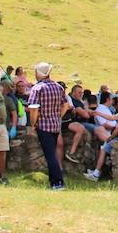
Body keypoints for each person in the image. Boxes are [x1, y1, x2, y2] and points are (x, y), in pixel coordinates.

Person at [26, 62, 68, 190]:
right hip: (55, 125)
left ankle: (57, 182)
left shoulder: (37, 88)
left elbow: (33, 108)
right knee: (52, 153)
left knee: (50, 155)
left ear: (38, 73)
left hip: (43, 126)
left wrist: (33, 123)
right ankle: (53, 180)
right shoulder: (58, 87)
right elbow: (65, 105)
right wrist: (58, 116)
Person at [86, 92, 118, 182]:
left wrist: (111, 137)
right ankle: (96, 171)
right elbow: (112, 118)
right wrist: (98, 113)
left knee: (104, 148)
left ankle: (96, 174)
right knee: (104, 146)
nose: (117, 100)